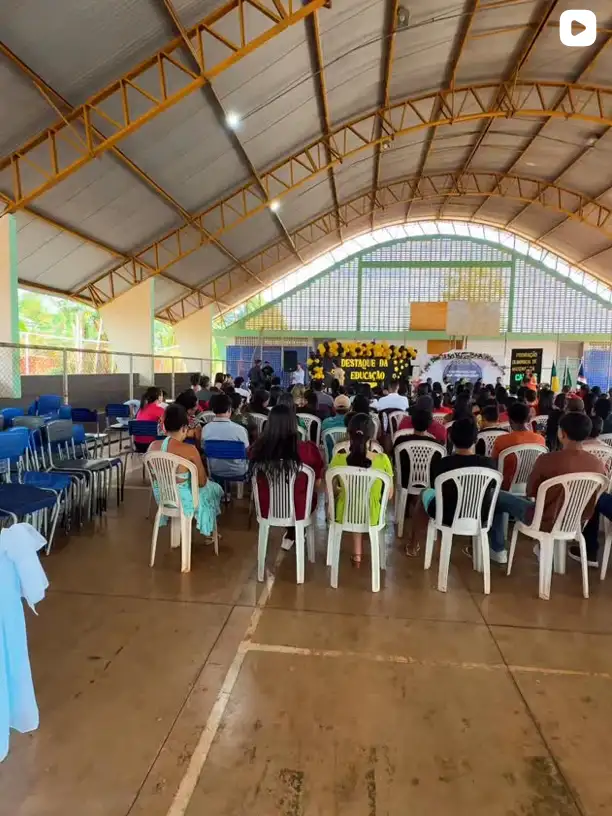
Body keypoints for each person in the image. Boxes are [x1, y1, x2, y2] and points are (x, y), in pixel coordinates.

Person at [489, 412, 606, 563]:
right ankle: (541, 548)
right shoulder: (597, 464)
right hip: (577, 521)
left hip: (543, 520)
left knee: (496, 496)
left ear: (562, 433)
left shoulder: (547, 460)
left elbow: (530, 491)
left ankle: (497, 550)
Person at [415, 418, 498, 558]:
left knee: (425, 492)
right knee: (486, 497)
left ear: (450, 438)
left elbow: (435, 487)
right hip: (479, 515)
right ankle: (473, 547)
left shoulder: (442, 464)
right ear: (476, 440)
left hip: (446, 515)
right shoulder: (489, 465)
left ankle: (413, 545)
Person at [249, 404, 324, 550]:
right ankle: (294, 532)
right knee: (306, 494)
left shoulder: (257, 449)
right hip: (299, 508)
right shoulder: (308, 450)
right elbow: (317, 484)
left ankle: (291, 533)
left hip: (267, 506)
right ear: (294, 424)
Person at [148, 404, 223, 536]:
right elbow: (202, 483)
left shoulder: (153, 447)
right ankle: (210, 531)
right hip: (185, 501)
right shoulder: (190, 450)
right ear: (184, 428)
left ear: (164, 426)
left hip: (164, 498)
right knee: (215, 489)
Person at [329, 413, 394, 567]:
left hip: (344, 513)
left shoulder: (338, 458)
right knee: (364, 503)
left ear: (348, 432)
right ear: (372, 435)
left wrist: (340, 490)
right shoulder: (382, 459)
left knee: (352, 503)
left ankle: (357, 555)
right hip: (373, 515)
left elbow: (331, 490)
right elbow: (389, 495)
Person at [491, 401, 546, 491]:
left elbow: (493, 464)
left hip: (505, 489)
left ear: (510, 420)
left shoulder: (501, 441)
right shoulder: (540, 440)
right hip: (530, 487)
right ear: (528, 419)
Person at [202, 393, 249, 482]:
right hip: (238, 471)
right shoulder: (240, 430)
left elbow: (204, 448)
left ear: (213, 410)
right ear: (229, 409)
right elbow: (247, 450)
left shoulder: (205, 429)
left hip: (214, 471)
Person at [322, 394, 351, 459]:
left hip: (331, 459)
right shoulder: (353, 424)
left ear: (334, 408)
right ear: (350, 408)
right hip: (349, 461)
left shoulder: (325, 423)